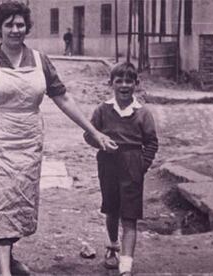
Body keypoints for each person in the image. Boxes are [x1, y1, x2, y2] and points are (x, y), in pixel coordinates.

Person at [0, 2, 113, 275]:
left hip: (27, 143)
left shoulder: (41, 61)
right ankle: (5, 269)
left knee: (16, 203)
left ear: (26, 27)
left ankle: (10, 258)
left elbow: (62, 97)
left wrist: (93, 130)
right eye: (9, 25)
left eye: (20, 25)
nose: (15, 30)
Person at [84, 62, 158, 276]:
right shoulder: (102, 110)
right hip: (108, 164)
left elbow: (152, 142)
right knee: (111, 209)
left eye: (129, 81)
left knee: (130, 216)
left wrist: (141, 165)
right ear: (111, 83)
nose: (124, 85)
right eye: (119, 81)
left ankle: (126, 267)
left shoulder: (143, 113)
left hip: (133, 165)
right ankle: (112, 247)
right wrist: (101, 143)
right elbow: (89, 134)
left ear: (136, 84)